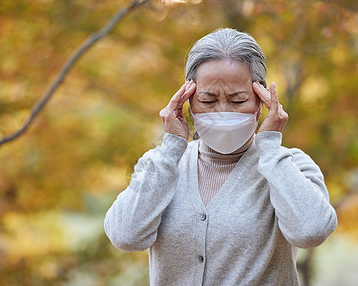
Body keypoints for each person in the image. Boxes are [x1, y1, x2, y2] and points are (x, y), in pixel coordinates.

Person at [104, 28, 337, 285]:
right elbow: (125, 236)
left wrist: (269, 146)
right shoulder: (159, 165)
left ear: (261, 100)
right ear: (189, 100)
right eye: (208, 100)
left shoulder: (290, 166)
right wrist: (171, 147)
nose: (222, 111)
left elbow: (311, 232)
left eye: (237, 101)